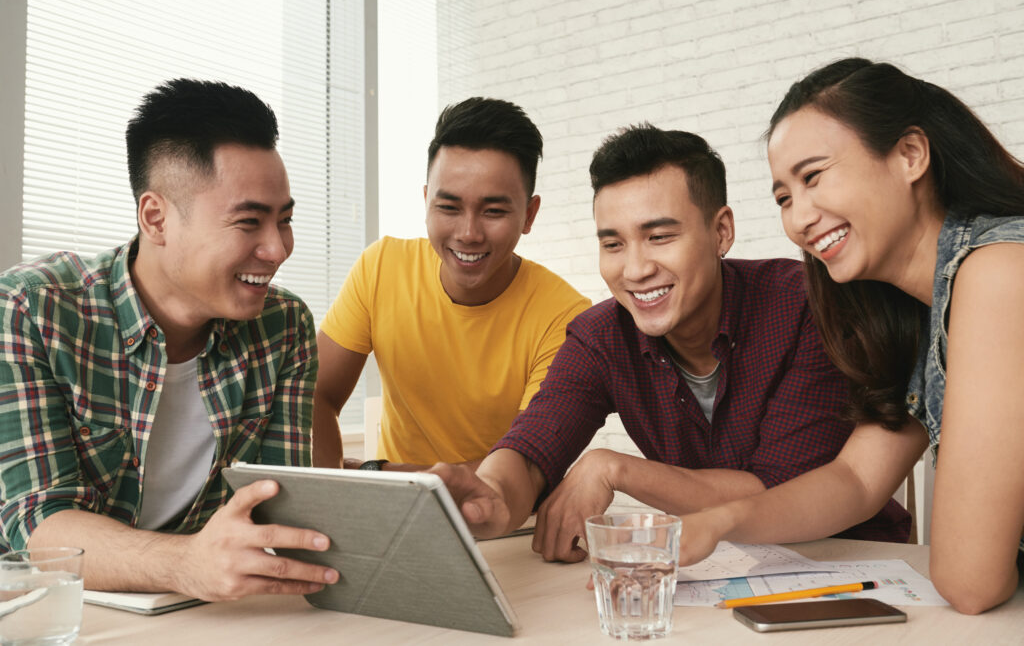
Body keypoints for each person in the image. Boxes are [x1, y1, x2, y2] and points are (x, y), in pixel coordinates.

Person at [438, 124, 910, 561]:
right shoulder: (600, 337)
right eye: (613, 244)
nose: (636, 269)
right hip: (708, 572)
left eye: (659, 236)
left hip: (853, 564)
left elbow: (779, 490)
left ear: (721, 231)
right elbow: (534, 446)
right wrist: (492, 497)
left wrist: (613, 468)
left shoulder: (807, 307)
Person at [671, 58, 1024, 615]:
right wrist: (720, 522)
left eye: (813, 177)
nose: (799, 219)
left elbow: (970, 581)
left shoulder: (999, 271)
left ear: (910, 155)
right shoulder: (924, 312)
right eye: (784, 198)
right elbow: (857, 480)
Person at [0, 79, 338, 601]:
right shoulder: (31, 309)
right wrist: (187, 564)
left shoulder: (284, 326)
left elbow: (279, 512)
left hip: (192, 614)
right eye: (249, 222)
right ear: (156, 218)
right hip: (44, 610)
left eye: (285, 220)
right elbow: (39, 523)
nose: (277, 249)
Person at [313, 97, 589, 470]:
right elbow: (314, 396)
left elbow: (525, 466)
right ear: (427, 201)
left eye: (493, 211)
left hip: (503, 509)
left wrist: (377, 473)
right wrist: (331, 484)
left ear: (529, 214)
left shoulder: (565, 316)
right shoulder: (380, 267)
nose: (469, 233)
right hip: (391, 501)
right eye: (448, 207)